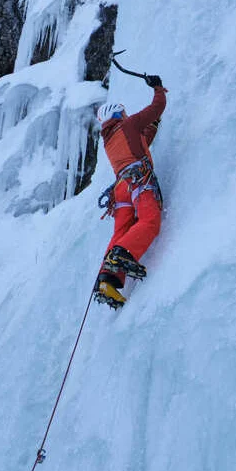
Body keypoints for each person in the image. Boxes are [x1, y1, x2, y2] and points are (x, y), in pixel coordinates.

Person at [93, 74, 167, 308]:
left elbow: (140, 140)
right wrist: (157, 87)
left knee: (121, 230)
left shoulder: (108, 139)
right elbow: (157, 108)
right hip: (138, 181)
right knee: (150, 220)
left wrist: (152, 127)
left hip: (121, 189)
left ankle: (107, 280)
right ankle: (124, 253)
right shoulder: (128, 124)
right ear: (119, 115)